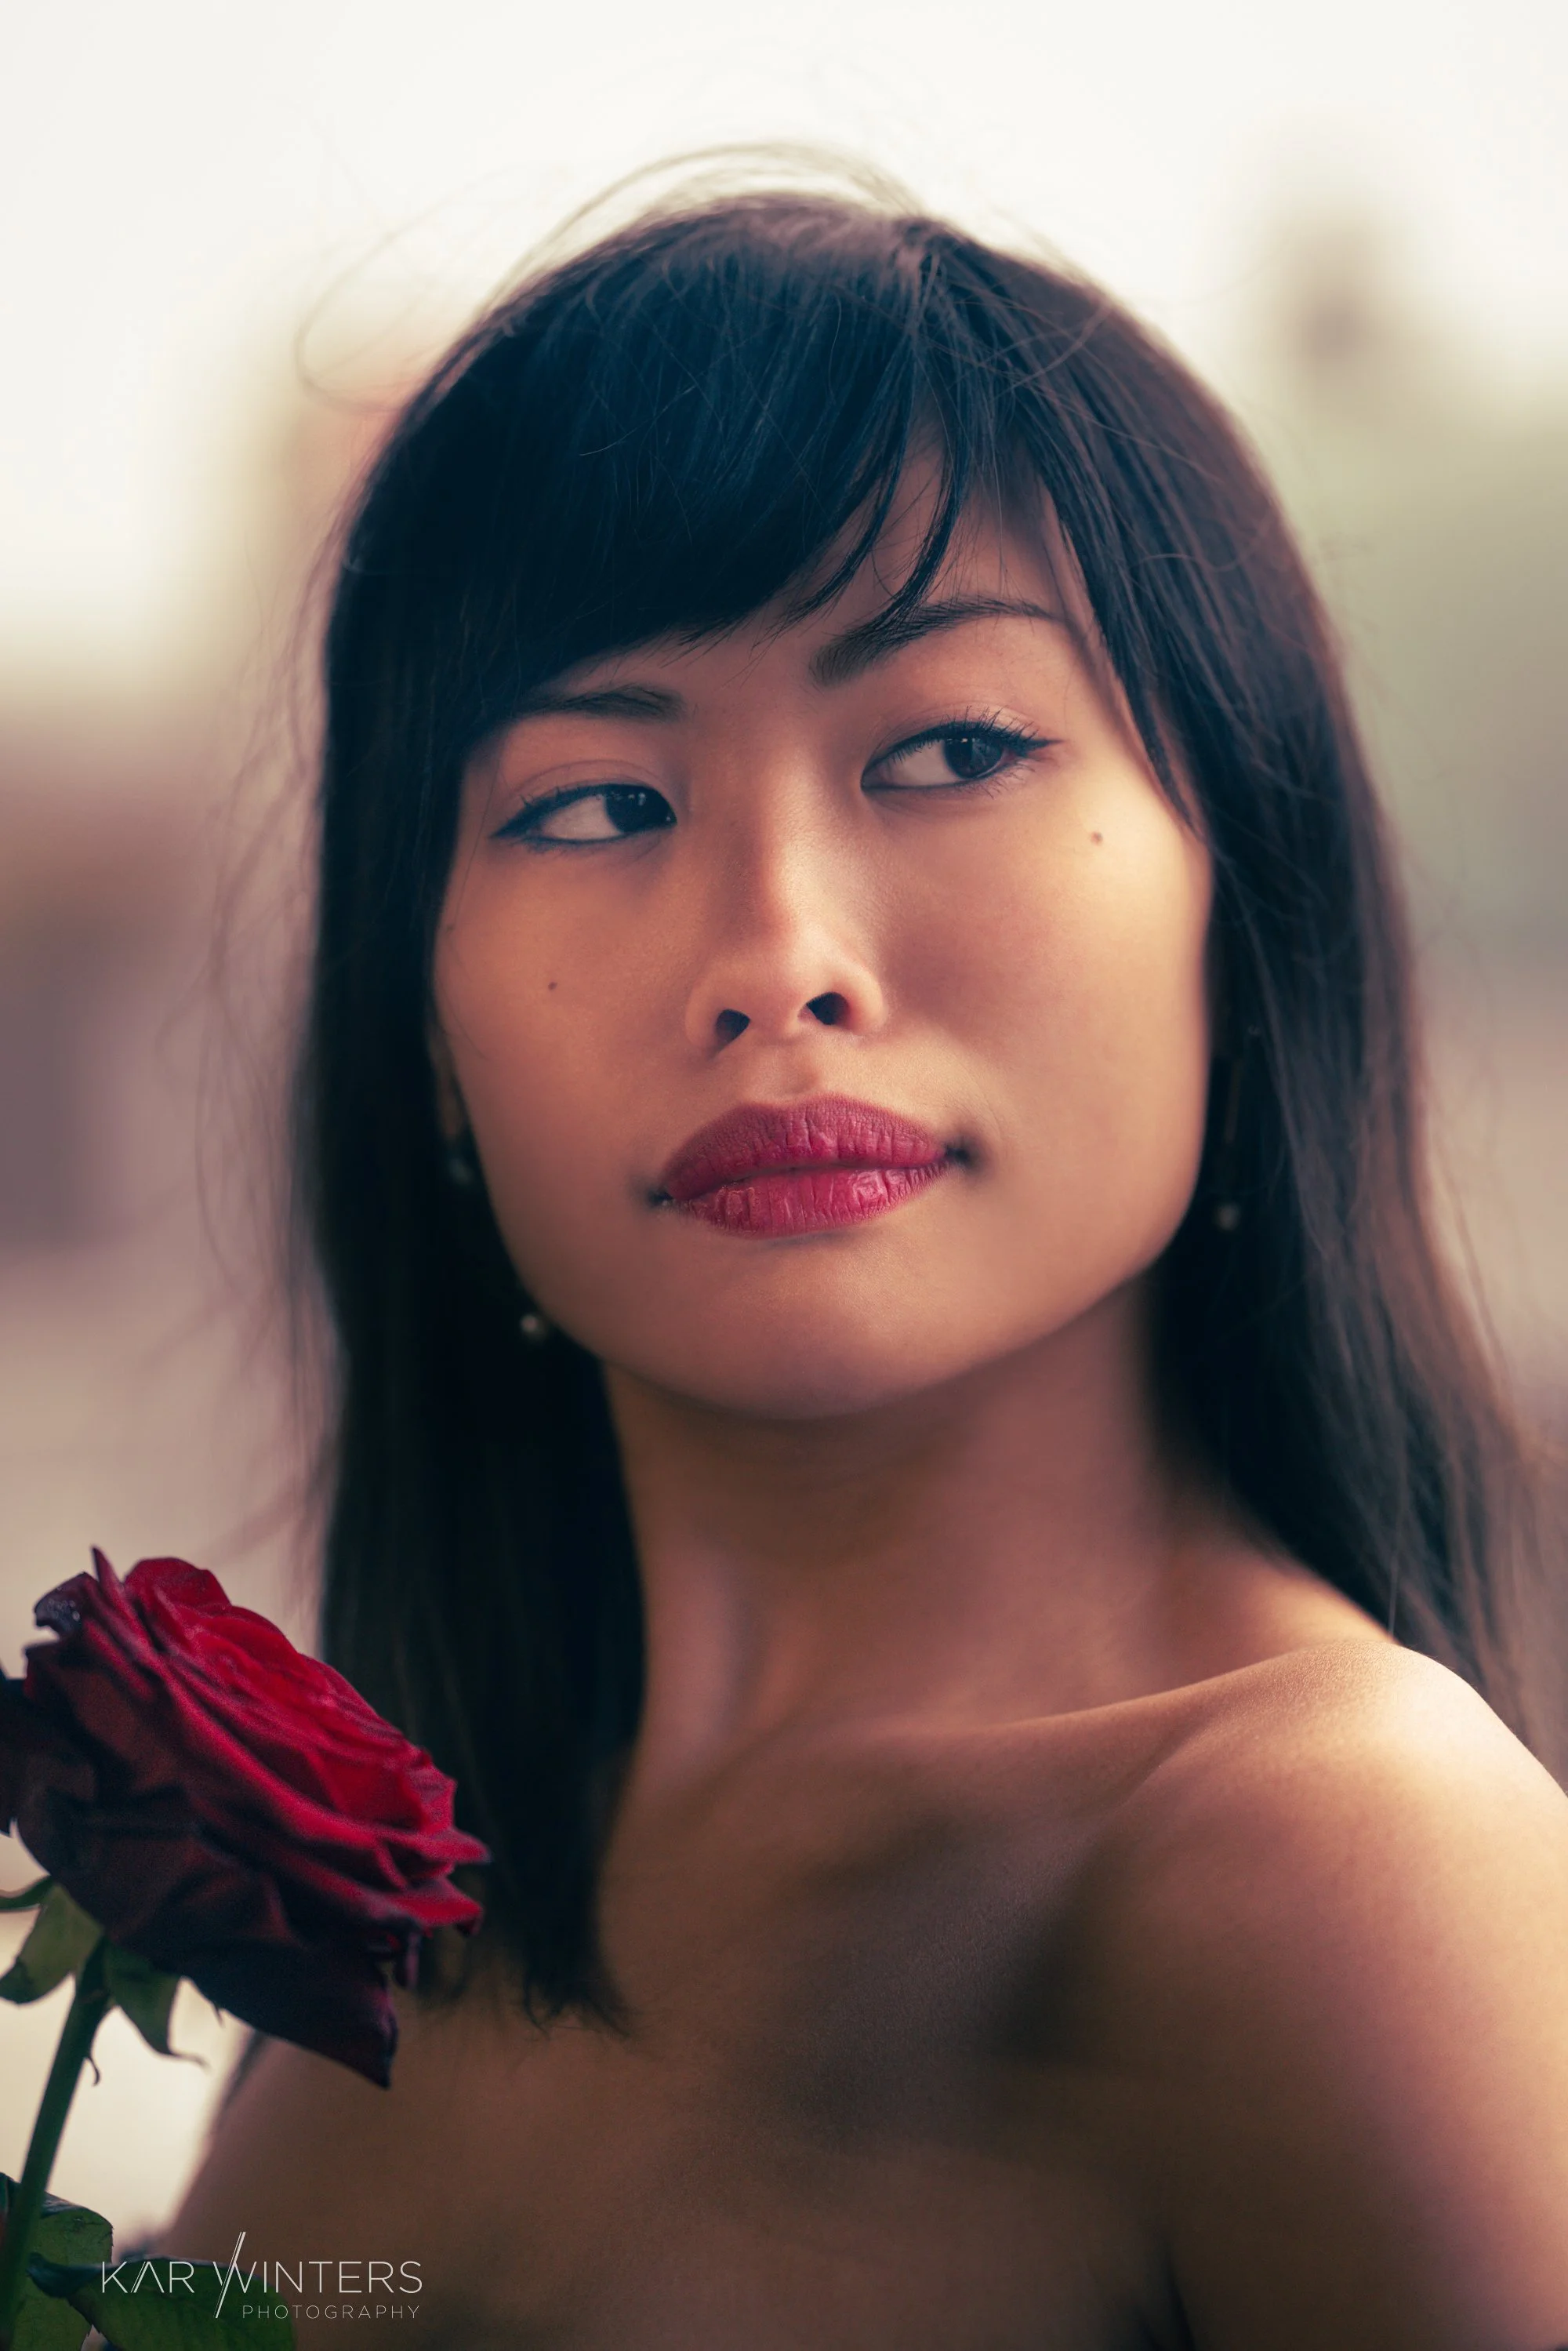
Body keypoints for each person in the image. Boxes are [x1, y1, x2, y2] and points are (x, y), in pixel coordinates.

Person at [170, 171, 1568, 2348]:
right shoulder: (418, 1903)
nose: (777, 955)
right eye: (594, 804)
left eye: (949, 749)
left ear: (1244, 906)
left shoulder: (1337, 1860)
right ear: (424, 1040)